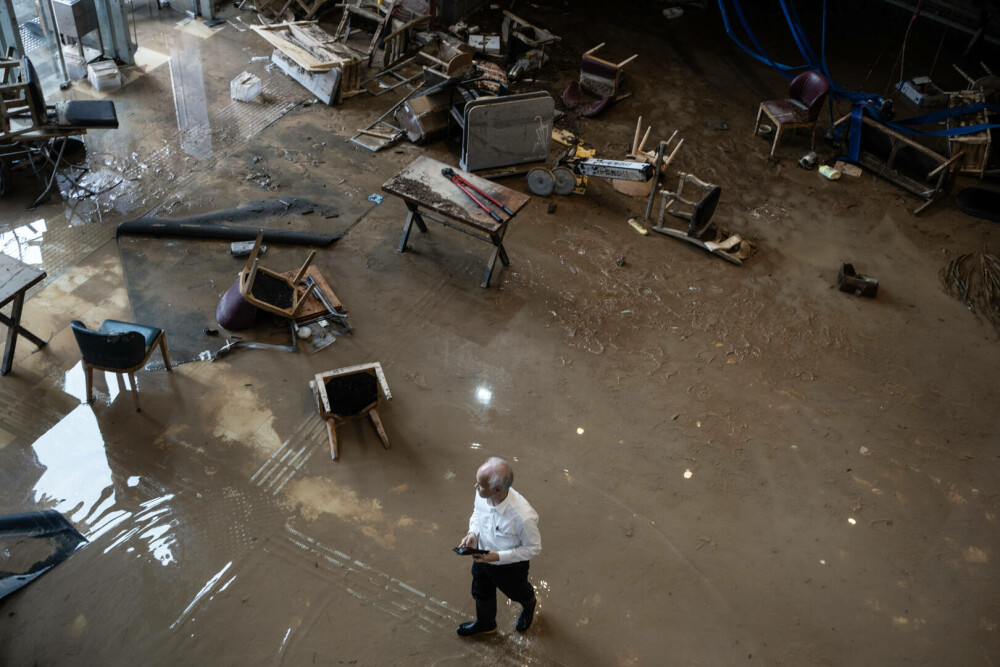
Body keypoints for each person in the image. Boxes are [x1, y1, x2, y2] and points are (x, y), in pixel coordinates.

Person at [456, 457, 541, 636]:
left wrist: (499, 557)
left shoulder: (523, 517)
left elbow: (533, 548)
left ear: (497, 489)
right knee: (481, 592)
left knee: (518, 592)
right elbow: (477, 514)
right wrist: (473, 533)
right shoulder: (482, 493)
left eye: (480, 484)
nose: (475, 487)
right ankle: (486, 624)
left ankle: (529, 604)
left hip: (510, 566)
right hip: (482, 557)